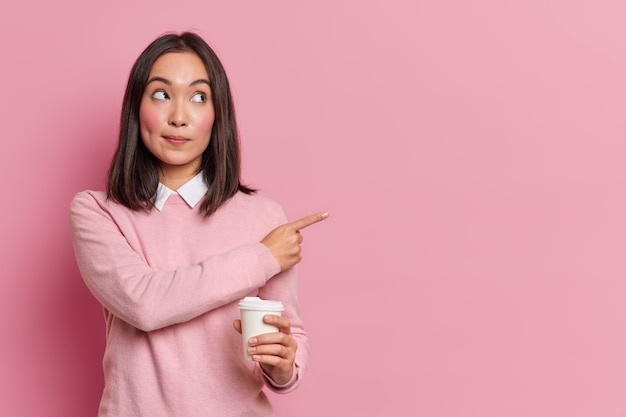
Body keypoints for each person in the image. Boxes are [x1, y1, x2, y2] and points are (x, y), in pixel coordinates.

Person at [69, 31, 327, 417]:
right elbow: (145, 303)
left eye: (198, 97)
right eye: (161, 94)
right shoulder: (98, 212)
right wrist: (262, 257)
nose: (178, 116)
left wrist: (283, 364)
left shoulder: (263, 218)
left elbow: (289, 333)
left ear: (217, 114)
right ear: (135, 108)